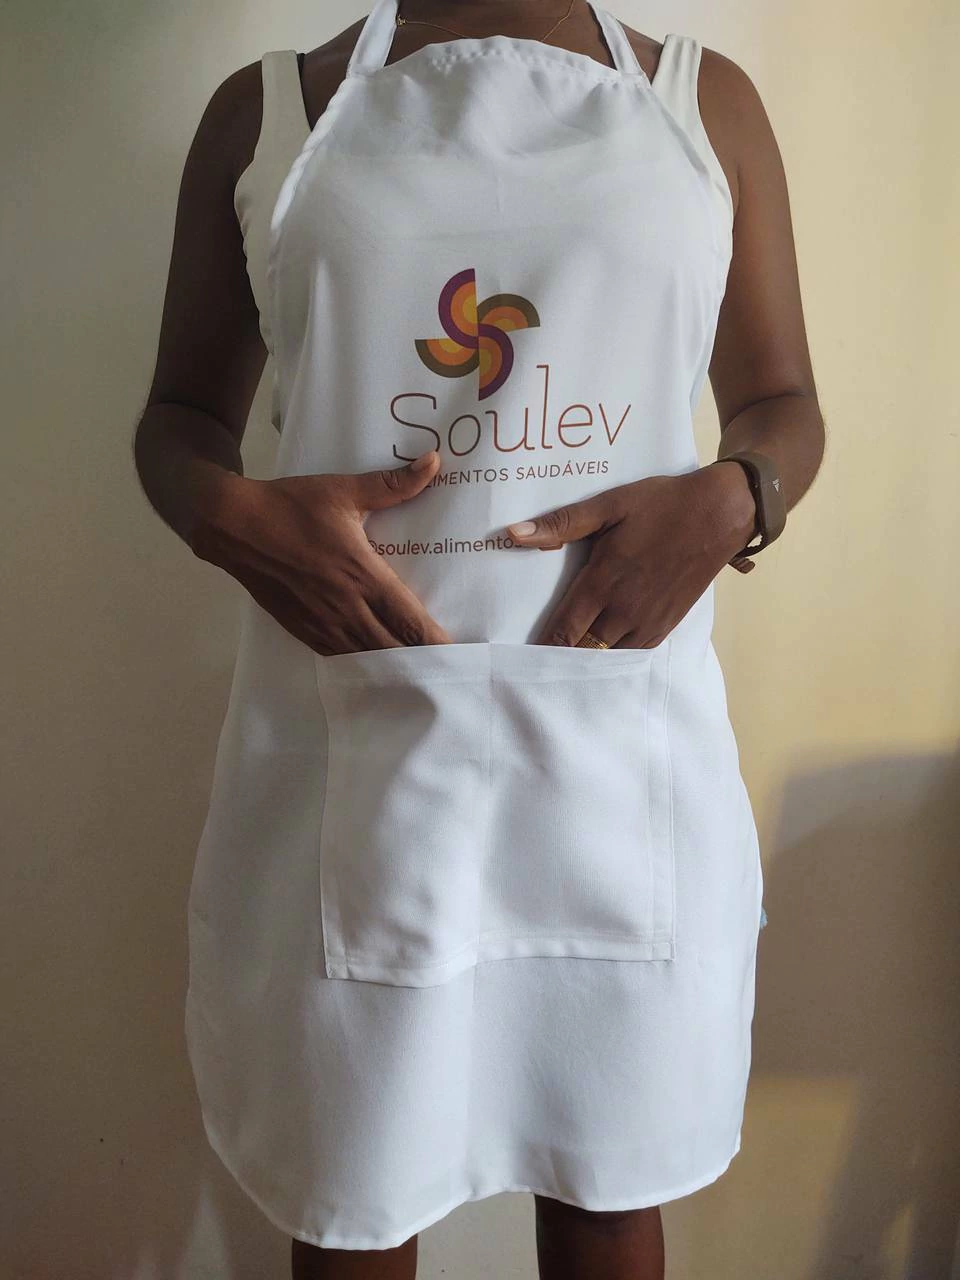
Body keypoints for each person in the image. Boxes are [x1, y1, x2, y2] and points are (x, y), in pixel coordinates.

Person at [134, 1, 824, 1276]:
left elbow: (781, 399)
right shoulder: (266, 115)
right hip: (357, 757)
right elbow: (178, 417)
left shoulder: (701, 105)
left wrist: (737, 497)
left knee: (612, 1191)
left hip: (622, 755)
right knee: (354, 1197)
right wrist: (231, 519)